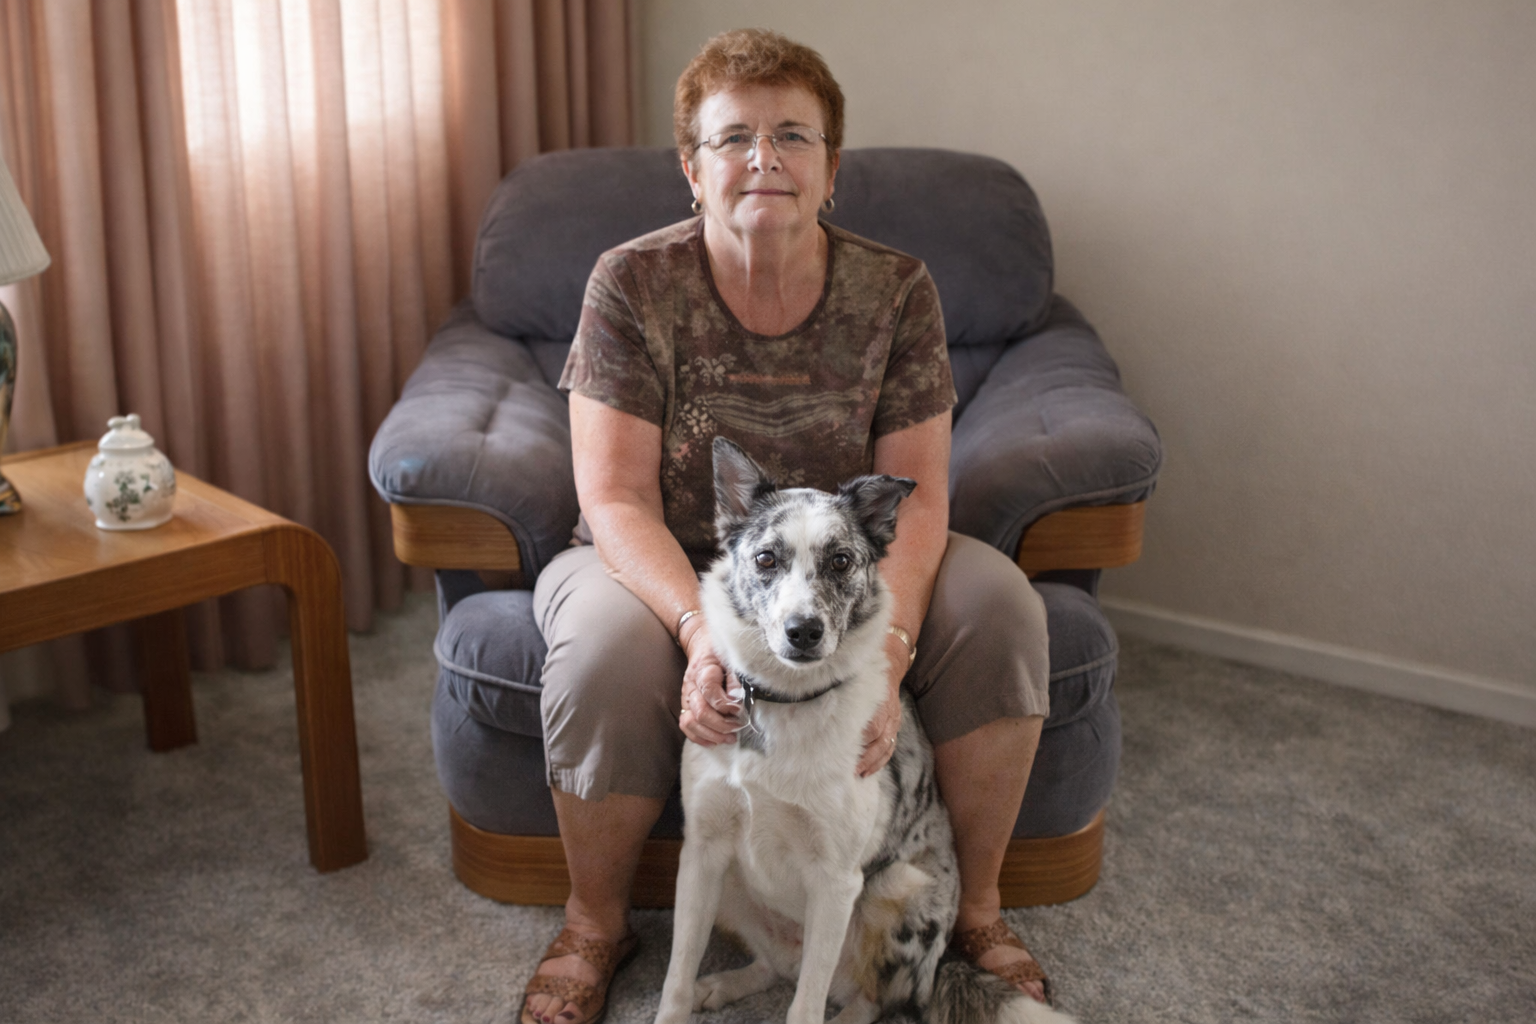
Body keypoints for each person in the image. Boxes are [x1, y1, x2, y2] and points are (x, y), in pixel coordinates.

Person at [520, 29, 1056, 1024]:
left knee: (1003, 610)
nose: (763, 158)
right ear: (692, 168)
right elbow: (616, 498)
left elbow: (919, 495)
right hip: (668, 561)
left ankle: (974, 909)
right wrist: (698, 633)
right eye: (733, 139)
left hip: (849, 564)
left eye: (792, 136)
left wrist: (889, 650)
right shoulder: (629, 284)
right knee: (595, 648)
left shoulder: (897, 289)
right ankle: (594, 921)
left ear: (831, 168)